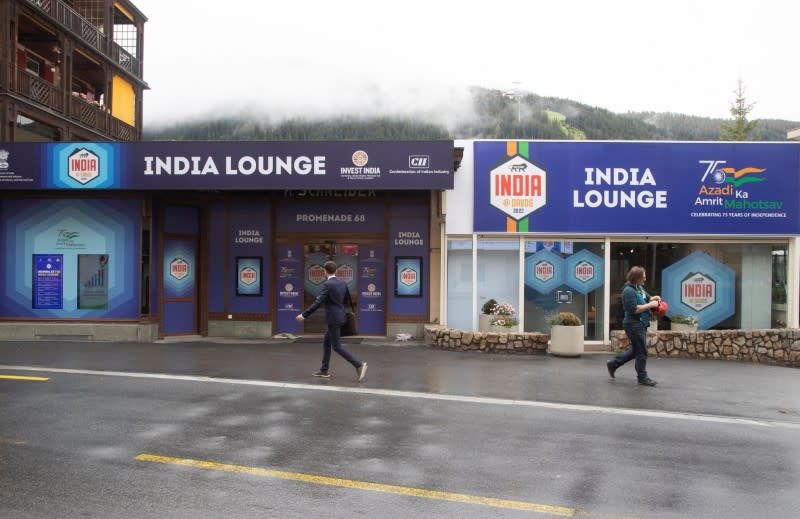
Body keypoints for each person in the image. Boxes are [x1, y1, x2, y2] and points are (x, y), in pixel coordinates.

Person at [296, 260, 367, 381]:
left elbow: (318, 302)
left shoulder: (328, 285)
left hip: (333, 319)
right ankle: (324, 370)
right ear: (336, 271)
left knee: (337, 347)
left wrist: (304, 315)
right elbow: (346, 301)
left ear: (324, 271)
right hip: (341, 316)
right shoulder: (342, 283)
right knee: (326, 342)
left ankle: (359, 365)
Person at [606, 266, 660, 386]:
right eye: (643, 277)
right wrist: (651, 305)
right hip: (633, 324)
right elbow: (634, 309)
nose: (645, 279)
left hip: (640, 324)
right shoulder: (628, 291)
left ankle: (613, 364)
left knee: (637, 350)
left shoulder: (638, 287)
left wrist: (653, 298)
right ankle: (642, 377)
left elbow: (647, 297)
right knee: (642, 351)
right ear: (636, 278)